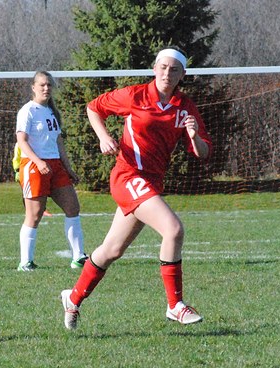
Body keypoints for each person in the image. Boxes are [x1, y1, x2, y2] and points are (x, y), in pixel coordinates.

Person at [60, 47, 212, 329]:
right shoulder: (135, 95)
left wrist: (193, 137)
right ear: (155, 68)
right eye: (163, 67)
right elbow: (94, 108)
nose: (167, 73)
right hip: (127, 176)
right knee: (173, 229)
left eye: (174, 69)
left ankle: (73, 297)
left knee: (111, 250)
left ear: (183, 74)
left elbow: (202, 152)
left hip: (150, 183)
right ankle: (175, 305)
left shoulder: (185, 107)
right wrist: (104, 137)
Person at [16, 71, 87, 272]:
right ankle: (25, 262)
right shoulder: (27, 111)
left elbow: (58, 142)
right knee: (35, 214)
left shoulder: (51, 112)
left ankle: (78, 257)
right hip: (34, 165)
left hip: (55, 165)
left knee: (73, 207)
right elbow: (21, 141)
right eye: (42, 85)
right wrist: (38, 162)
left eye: (49, 85)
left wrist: (68, 167)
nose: (46, 88)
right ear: (33, 87)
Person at [12, 143, 52, 217]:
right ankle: (29, 210)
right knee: (27, 193)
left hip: (35, 168)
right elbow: (16, 158)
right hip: (24, 170)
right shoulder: (19, 144)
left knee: (40, 191)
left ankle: (42, 209)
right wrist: (17, 170)